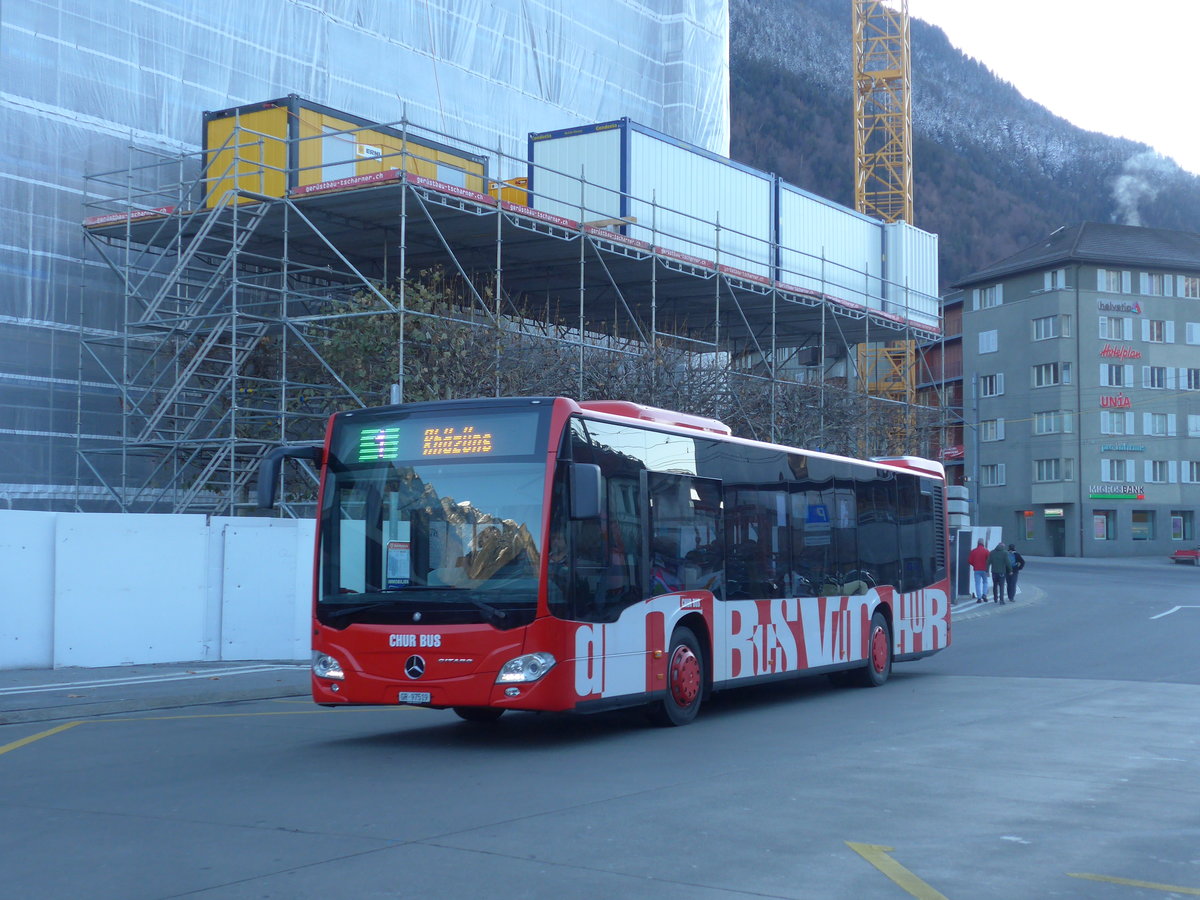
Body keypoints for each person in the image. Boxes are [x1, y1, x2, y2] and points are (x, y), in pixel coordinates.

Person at [968, 538, 990, 603]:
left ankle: (979, 598)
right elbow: (989, 561)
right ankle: (984, 595)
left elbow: (969, 561)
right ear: (983, 543)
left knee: (977, 583)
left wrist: (974, 565)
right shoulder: (986, 551)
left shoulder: (973, 551)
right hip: (984, 569)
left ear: (978, 543)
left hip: (977, 570)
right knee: (985, 582)